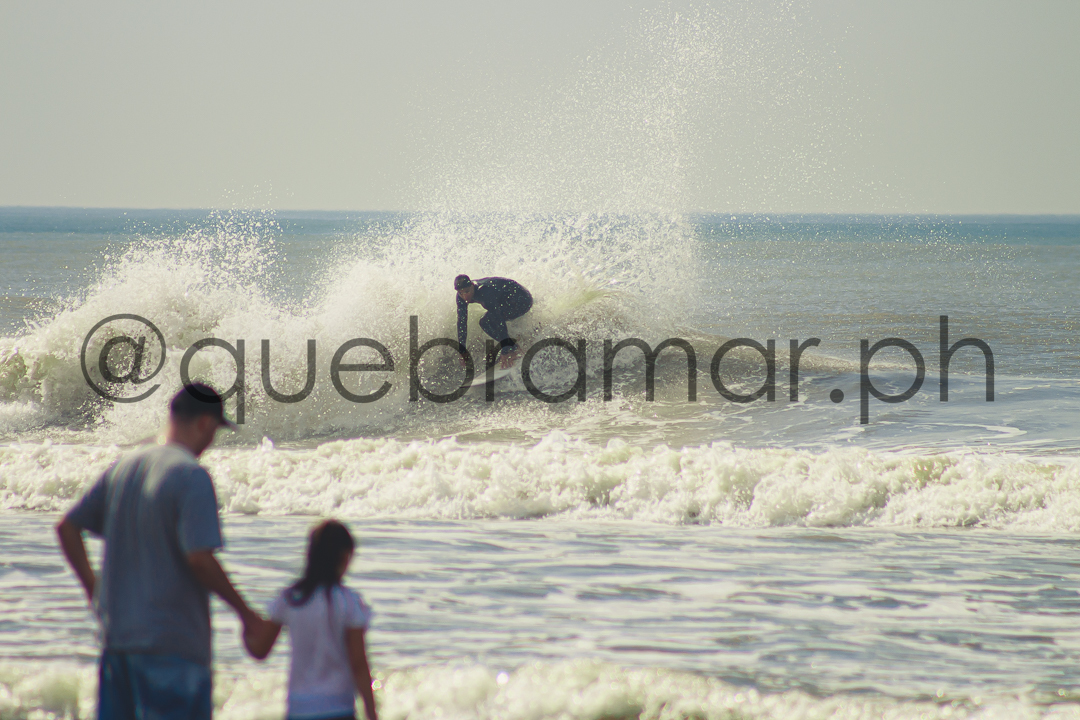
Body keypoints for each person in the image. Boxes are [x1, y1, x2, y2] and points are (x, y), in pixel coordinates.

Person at [56, 382, 266, 720]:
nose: (211, 442)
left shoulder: (124, 467)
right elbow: (199, 559)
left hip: (117, 642)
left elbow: (67, 527)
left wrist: (94, 589)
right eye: (214, 431)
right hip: (172, 645)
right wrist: (246, 614)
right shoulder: (191, 475)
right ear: (204, 423)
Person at [244, 519, 378, 720]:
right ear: (344, 557)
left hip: (300, 709)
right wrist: (371, 713)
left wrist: (246, 628)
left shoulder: (290, 599)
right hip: (338, 708)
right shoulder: (349, 602)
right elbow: (359, 663)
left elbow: (260, 650)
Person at [454, 274, 533, 369]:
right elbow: (462, 322)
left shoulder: (485, 292)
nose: (465, 296)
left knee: (487, 321)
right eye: (461, 293)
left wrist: (505, 350)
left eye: (467, 292)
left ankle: (512, 349)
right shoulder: (460, 297)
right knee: (484, 322)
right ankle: (513, 346)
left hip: (522, 300)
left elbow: (498, 319)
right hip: (506, 301)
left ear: (472, 285)